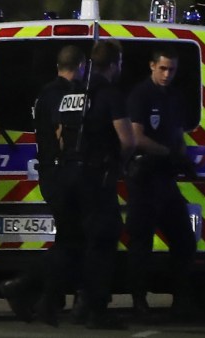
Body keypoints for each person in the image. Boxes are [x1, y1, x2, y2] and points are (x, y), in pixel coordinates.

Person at [35, 39, 134, 329]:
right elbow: (127, 141)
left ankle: (47, 302)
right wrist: (118, 163)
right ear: (115, 64)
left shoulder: (72, 95)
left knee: (69, 241)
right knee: (102, 241)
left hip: (66, 174)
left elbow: (60, 134)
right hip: (94, 177)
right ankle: (95, 310)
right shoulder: (110, 94)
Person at [0, 45, 86, 322]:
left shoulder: (46, 93)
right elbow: (63, 132)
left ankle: (48, 298)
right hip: (61, 174)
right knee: (70, 242)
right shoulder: (62, 94)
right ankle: (22, 285)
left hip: (51, 173)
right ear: (81, 66)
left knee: (70, 241)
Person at [126, 47, 198, 320]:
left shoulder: (173, 97)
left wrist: (183, 159)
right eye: (163, 68)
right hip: (144, 178)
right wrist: (169, 153)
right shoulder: (141, 95)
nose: (167, 74)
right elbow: (137, 137)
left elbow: (177, 132)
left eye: (172, 69)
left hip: (166, 180)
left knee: (184, 241)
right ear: (152, 66)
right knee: (141, 244)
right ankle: (139, 301)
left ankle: (181, 299)